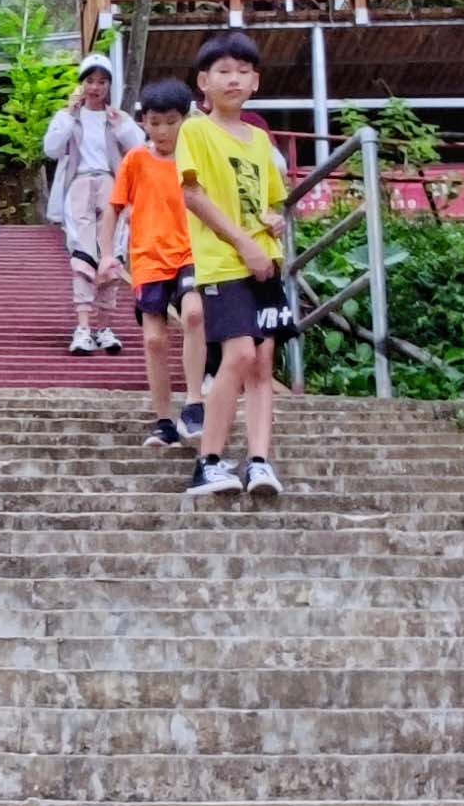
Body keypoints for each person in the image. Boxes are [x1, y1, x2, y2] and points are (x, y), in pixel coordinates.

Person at [175, 27, 291, 496]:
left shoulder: (260, 141)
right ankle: (209, 460)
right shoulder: (196, 130)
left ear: (256, 82)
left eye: (243, 72)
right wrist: (244, 241)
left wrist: (272, 220)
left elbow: (272, 201)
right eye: (223, 71)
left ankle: (259, 460)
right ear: (203, 81)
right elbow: (191, 193)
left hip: (266, 260)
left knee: (263, 361)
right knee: (239, 354)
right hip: (225, 261)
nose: (233, 80)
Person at [41, 54, 145, 355]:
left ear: (109, 85)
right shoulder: (68, 116)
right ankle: (84, 326)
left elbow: (139, 148)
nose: (95, 87)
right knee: (83, 251)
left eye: (101, 82)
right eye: (90, 81)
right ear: (82, 84)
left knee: (111, 252)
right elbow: (51, 149)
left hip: (112, 185)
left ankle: (104, 326)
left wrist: (120, 125)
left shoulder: (118, 118)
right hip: (79, 184)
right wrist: (69, 116)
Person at [116, 76, 200, 447]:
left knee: (194, 313)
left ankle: (195, 402)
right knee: (153, 340)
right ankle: (164, 420)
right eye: (154, 122)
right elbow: (114, 207)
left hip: (192, 251)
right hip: (148, 257)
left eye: (171, 121)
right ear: (143, 122)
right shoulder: (136, 159)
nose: (162, 130)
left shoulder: (198, 156)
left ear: (186, 118)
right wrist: (105, 253)